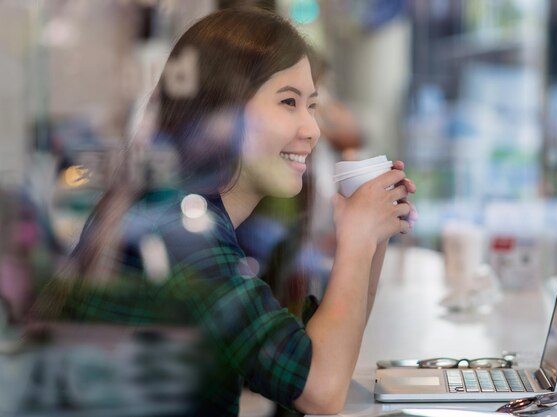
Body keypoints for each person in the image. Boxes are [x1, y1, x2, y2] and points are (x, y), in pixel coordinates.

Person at [32, 7, 417, 416]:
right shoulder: (180, 232)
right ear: (222, 111)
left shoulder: (188, 213)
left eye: (312, 105)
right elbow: (320, 391)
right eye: (289, 102)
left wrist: (371, 236)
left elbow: (308, 360)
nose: (312, 129)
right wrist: (357, 239)